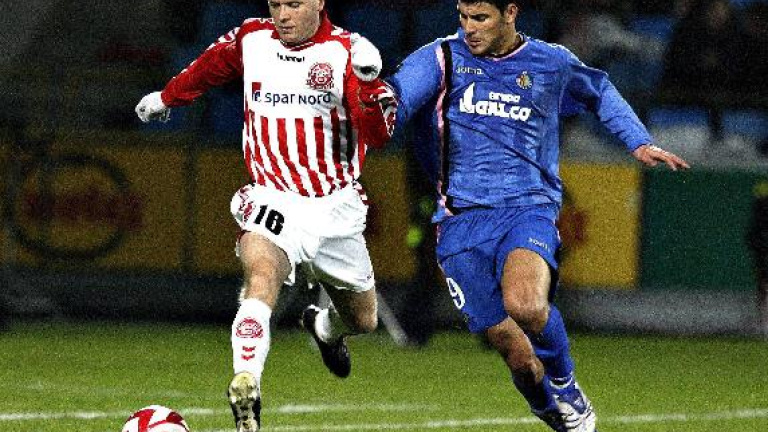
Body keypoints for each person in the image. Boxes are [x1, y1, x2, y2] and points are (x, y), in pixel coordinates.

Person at [380, 0, 690, 431]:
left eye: (481, 18)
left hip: (528, 209)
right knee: (517, 355)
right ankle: (551, 412)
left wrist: (637, 140)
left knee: (525, 304)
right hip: (459, 221)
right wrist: (373, 99)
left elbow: (599, 90)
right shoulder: (442, 57)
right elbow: (396, 100)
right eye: (464, 17)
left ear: (510, 13)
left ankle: (566, 384)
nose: (469, 28)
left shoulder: (550, 62)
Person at [135, 1, 397, 430]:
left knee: (363, 319)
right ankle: (247, 384)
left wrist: (369, 88)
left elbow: (379, 135)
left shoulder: (346, 53)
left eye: (294, 4)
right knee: (262, 276)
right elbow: (209, 67)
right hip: (271, 197)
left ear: (319, 2)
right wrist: (167, 97)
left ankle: (325, 330)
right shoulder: (252, 39)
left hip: (335, 208)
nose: (283, 15)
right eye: (276, 4)